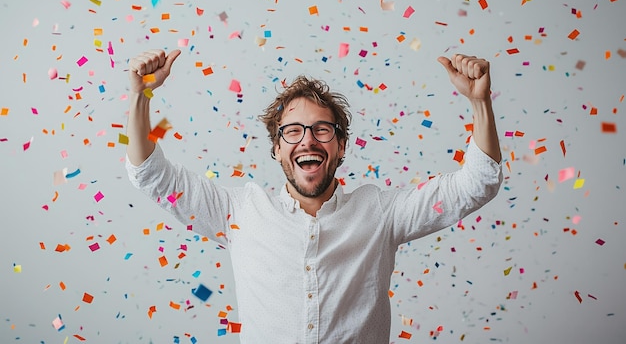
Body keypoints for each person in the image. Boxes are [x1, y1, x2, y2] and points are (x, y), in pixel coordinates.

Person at [125, 49, 502, 343]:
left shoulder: (381, 213)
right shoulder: (238, 212)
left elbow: (476, 183)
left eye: (322, 130)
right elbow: (150, 174)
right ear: (276, 148)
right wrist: (140, 96)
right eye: (292, 131)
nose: (307, 139)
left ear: (341, 148)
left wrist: (480, 102)